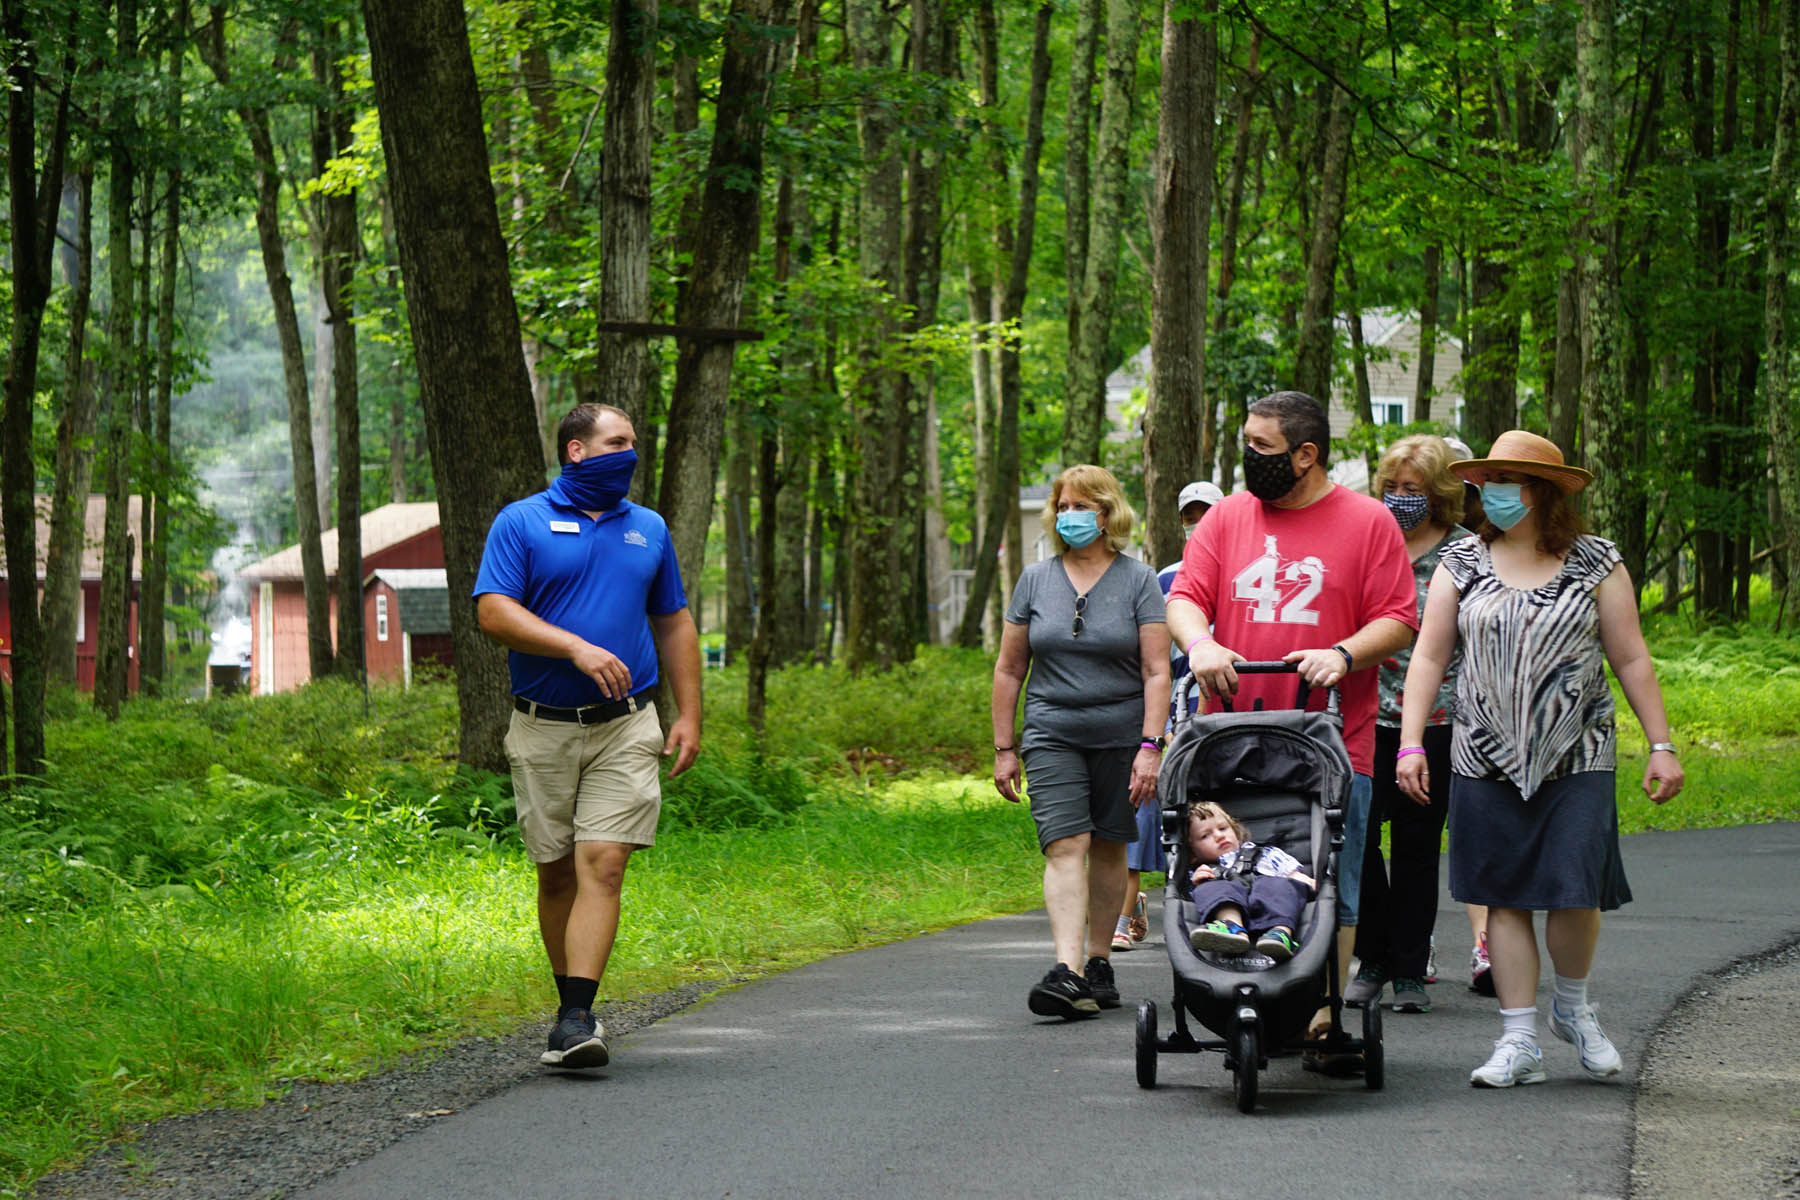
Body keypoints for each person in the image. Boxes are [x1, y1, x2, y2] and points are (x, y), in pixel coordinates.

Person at [1397, 429, 1684, 1088]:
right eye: (1488, 482)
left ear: (1544, 493)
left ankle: (1574, 1011)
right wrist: (1412, 741)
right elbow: (1430, 656)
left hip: (1579, 751)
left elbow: (1631, 656)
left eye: (1507, 482)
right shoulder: (1461, 562)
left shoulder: (1597, 562)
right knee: (1502, 895)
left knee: (1574, 890)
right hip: (1483, 753)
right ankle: (1517, 1037)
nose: (1492, 494)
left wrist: (1661, 744)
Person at [1165, 390, 1417, 1059]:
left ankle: (1322, 1012)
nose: (1249, 458)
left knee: (1334, 876)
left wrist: (1343, 654)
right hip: (1230, 734)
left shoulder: (1368, 523)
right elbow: (1186, 599)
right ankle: (1235, 991)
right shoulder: (1224, 520)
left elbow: (1398, 617)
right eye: (1246, 442)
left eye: (1262, 448)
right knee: (1226, 867)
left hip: (1332, 737)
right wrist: (1202, 645)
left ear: (1307, 455)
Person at [473, 402, 703, 1069]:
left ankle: (576, 1016)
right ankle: (567, 1004)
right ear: (578, 450)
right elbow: (493, 612)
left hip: (629, 723)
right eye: (619, 441)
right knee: (555, 874)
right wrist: (574, 647)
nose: (631, 453)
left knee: (603, 862)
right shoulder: (522, 522)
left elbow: (675, 623)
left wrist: (688, 713)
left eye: (633, 441)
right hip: (543, 726)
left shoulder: (649, 529)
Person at [992, 464, 1171, 1018]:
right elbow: (1008, 668)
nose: (1070, 516)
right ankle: (1068, 970)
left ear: (1107, 512)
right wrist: (1004, 747)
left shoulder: (1139, 580)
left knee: (1112, 843)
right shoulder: (1035, 580)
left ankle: (1100, 961)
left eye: (1082, 506)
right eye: (1063, 506)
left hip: (1122, 735)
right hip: (1051, 732)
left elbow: (1156, 671)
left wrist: (1151, 745)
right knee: (1065, 843)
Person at [1346, 435, 1472, 1015]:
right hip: (1365, 718)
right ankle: (1372, 957)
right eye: (1391, 489)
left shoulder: (1467, 553)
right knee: (1359, 840)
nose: (1399, 500)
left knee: (1418, 849)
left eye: (1412, 491)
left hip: (1440, 722)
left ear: (1440, 494)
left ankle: (1410, 968)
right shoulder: (1367, 544)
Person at [1114, 480, 1227, 952]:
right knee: (1143, 798)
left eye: (1207, 514)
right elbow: (1153, 662)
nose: (1198, 524)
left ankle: (1220, 908)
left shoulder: (1243, 574)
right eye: (1189, 515)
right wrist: (1154, 733)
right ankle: (1127, 908)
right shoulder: (1165, 579)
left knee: (1216, 812)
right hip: (1172, 712)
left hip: (1223, 715)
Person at [1442, 436, 1492, 995]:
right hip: (1414, 714)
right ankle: (1415, 940)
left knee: (1474, 835)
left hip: (1476, 712)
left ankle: (1485, 945)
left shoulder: (1482, 547)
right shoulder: (1395, 542)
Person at [1184, 801, 1316, 962]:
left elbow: (1293, 874)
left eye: (1223, 828)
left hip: (1271, 906)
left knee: (1281, 885)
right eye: (1205, 835)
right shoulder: (1203, 871)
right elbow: (1193, 902)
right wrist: (1198, 884)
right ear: (1193, 854)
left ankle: (1281, 934)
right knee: (1210, 887)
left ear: (1235, 831)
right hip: (1230, 906)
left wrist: (1306, 881)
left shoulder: (1265, 854)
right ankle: (1232, 927)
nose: (1219, 836)